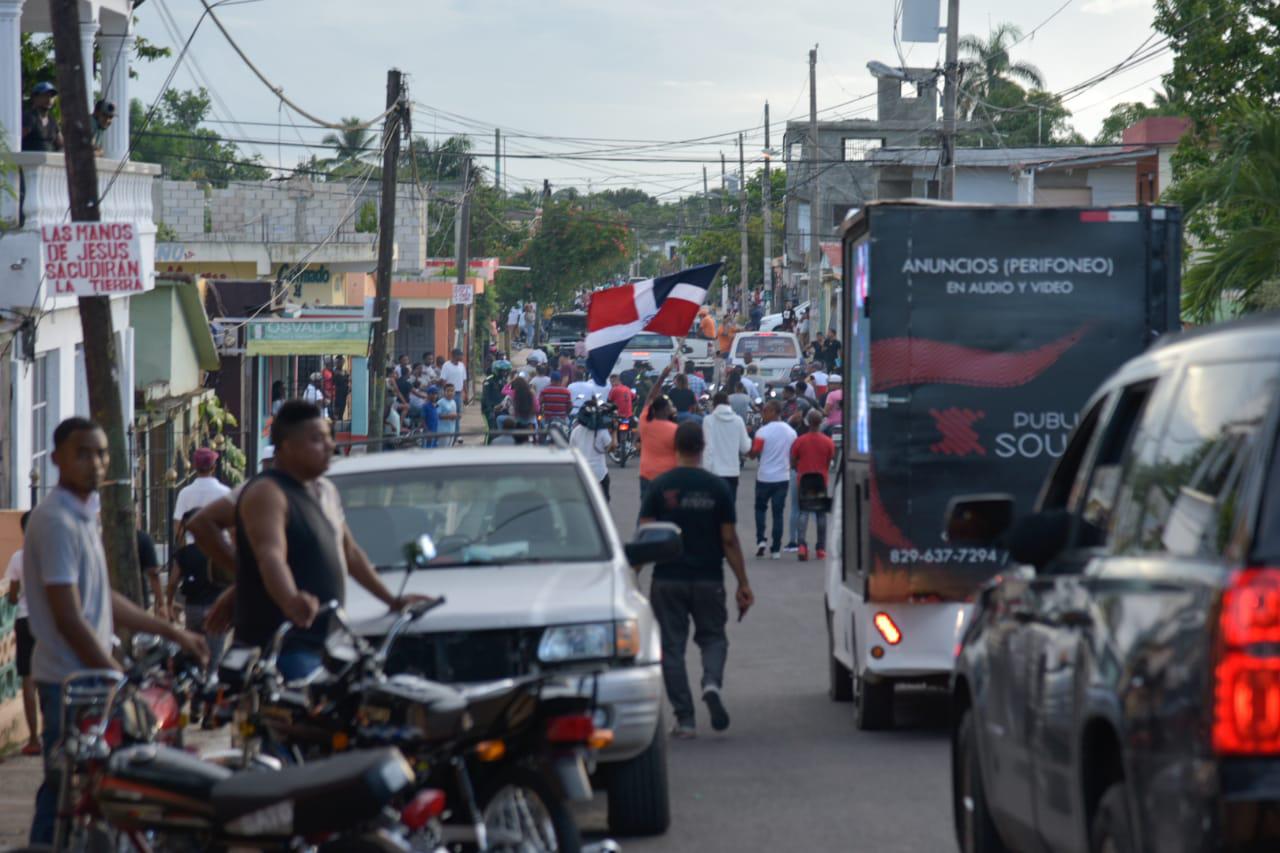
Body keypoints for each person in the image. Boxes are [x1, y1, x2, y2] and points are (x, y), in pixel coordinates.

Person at [25, 417, 207, 845]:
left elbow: (103, 598)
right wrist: (115, 676)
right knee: (64, 787)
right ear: (57, 459)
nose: (96, 463)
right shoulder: (55, 520)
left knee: (92, 787)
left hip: (90, 678)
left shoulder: (83, 516)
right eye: (83, 453)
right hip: (68, 682)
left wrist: (173, 631)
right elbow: (69, 617)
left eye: (102, 453)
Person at [233, 401, 424, 681]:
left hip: (328, 641)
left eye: (328, 438)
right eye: (317, 439)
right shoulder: (268, 492)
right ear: (286, 447)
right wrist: (290, 599)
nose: (330, 447)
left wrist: (391, 600)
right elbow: (270, 555)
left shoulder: (324, 490)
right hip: (284, 646)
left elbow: (350, 552)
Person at [639, 422, 753, 738]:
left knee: (671, 649)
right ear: (702, 447)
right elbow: (729, 540)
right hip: (708, 578)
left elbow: (645, 535)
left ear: (675, 447)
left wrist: (632, 576)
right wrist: (743, 583)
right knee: (713, 637)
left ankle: (685, 718)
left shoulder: (660, 486)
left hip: (667, 579)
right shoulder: (717, 488)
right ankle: (712, 683)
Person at [166, 508, 229, 662]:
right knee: (214, 655)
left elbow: (173, 582)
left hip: (192, 608)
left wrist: (169, 603)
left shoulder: (185, 553)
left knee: (194, 654)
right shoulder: (219, 550)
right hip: (215, 608)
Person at [5, 511, 41, 756]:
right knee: (52, 678)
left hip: (24, 620)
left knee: (27, 680)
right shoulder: (51, 554)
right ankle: (55, 736)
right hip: (48, 622)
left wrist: (17, 595)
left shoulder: (18, 558)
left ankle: (33, 738)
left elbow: (12, 595)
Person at [748, 401, 796, 559]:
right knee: (778, 513)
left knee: (760, 509)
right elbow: (793, 454)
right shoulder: (790, 432)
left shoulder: (762, 432)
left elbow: (754, 453)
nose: (763, 414)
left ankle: (761, 540)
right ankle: (776, 549)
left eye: (766, 411)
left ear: (774, 412)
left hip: (764, 477)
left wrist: (748, 449)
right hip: (782, 477)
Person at [792, 409, 836, 561]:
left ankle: (802, 545)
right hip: (821, 479)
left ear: (808, 422)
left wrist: (799, 467)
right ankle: (821, 548)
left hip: (804, 479)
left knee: (803, 512)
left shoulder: (800, 440)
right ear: (820, 423)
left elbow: (793, 460)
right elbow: (830, 459)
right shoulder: (828, 441)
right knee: (820, 514)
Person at [173, 448, 231, 545]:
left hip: (193, 546)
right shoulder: (225, 492)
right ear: (214, 467)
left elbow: (178, 526)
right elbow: (231, 527)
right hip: (220, 547)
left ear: (195, 467)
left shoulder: (185, 493)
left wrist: (185, 550)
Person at [637, 365, 678, 504]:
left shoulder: (644, 420)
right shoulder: (674, 429)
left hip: (646, 474)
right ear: (666, 410)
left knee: (646, 511)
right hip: (669, 478)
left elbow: (650, 396)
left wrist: (662, 377)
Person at [702, 391, 751, 500]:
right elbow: (745, 447)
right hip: (732, 472)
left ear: (714, 404)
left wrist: (705, 471)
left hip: (713, 472)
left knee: (713, 510)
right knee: (729, 509)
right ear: (728, 404)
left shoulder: (708, 420)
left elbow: (708, 448)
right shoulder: (738, 420)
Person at [569, 398, 615, 501]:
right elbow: (611, 448)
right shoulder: (602, 431)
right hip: (599, 473)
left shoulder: (575, 431)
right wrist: (614, 431)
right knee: (604, 500)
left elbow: (572, 451)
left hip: (582, 472)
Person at [21, 81, 62, 152]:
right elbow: (16, 140)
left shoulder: (52, 120)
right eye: (45, 95)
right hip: (29, 161)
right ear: (34, 98)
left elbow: (61, 144)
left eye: (52, 96)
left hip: (50, 161)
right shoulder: (29, 117)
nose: (49, 99)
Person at [332, 356, 350, 421]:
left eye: (342, 362)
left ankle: (340, 419)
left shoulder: (345, 372)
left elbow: (348, 381)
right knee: (337, 409)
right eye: (339, 362)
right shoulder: (334, 371)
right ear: (336, 362)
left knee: (342, 408)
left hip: (344, 394)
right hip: (337, 393)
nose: (341, 363)